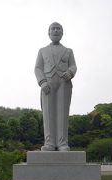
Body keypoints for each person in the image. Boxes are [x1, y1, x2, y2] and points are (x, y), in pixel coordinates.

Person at [35, 22, 77, 151]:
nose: (56, 31)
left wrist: (70, 72)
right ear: (49, 33)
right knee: (48, 114)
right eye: (53, 29)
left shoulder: (68, 51)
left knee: (62, 114)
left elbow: (73, 66)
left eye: (58, 29)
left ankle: (62, 143)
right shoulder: (42, 51)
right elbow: (37, 68)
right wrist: (42, 82)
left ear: (62, 33)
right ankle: (49, 143)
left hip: (64, 83)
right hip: (48, 83)